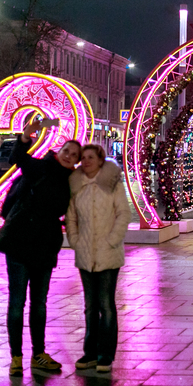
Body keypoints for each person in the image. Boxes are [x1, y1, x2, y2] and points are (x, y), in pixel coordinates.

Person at [0, 120, 81, 376]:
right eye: (67, 151)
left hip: (45, 245)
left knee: (39, 303)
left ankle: (39, 354)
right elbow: (18, 156)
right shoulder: (40, 167)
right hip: (20, 241)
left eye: (73, 155)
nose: (69, 157)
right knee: (17, 302)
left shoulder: (72, 182)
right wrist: (27, 135)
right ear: (59, 150)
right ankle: (17, 357)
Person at [66, 145, 130, 373]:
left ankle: (106, 355)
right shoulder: (76, 185)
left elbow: (124, 213)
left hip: (108, 254)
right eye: (83, 158)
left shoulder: (112, 184)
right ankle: (90, 352)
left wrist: (112, 240)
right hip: (85, 255)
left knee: (106, 304)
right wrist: (74, 241)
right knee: (89, 307)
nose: (85, 161)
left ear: (101, 160)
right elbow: (71, 217)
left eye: (90, 157)